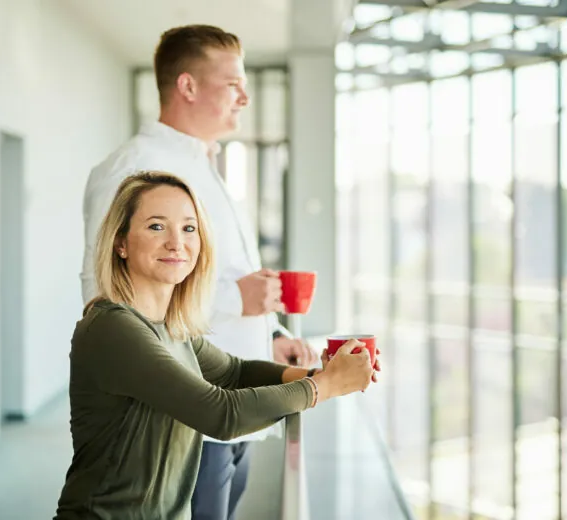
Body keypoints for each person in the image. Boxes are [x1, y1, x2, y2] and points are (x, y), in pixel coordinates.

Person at [82, 24, 357, 519]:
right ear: (187, 86)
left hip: (229, 396)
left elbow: (217, 282)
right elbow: (112, 292)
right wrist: (239, 302)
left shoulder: (203, 166)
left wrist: (268, 334)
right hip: (187, 421)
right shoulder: (136, 168)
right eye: (233, 84)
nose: (245, 98)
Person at [55, 172, 375, 520]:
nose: (177, 243)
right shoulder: (113, 327)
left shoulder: (170, 327)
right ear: (121, 243)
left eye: (189, 228)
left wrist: (321, 372)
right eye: (156, 226)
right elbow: (221, 414)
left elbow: (235, 372)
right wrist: (325, 386)